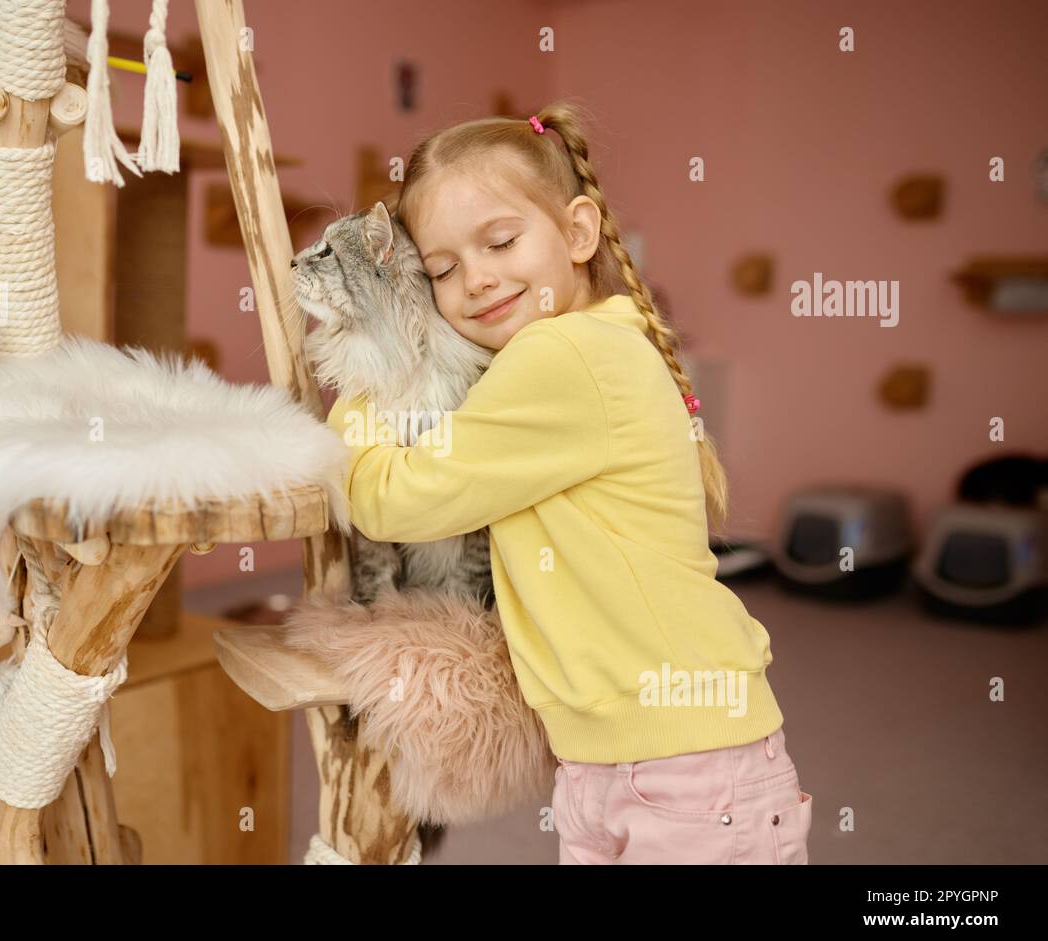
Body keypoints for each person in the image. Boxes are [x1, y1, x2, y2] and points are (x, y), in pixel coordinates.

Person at [326, 100, 813, 864]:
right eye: (444, 270)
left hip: (685, 767)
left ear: (579, 233)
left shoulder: (564, 358)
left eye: (501, 242)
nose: (478, 280)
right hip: (620, 760)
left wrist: (361, 380)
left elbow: (394, 499)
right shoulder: (584, 346)